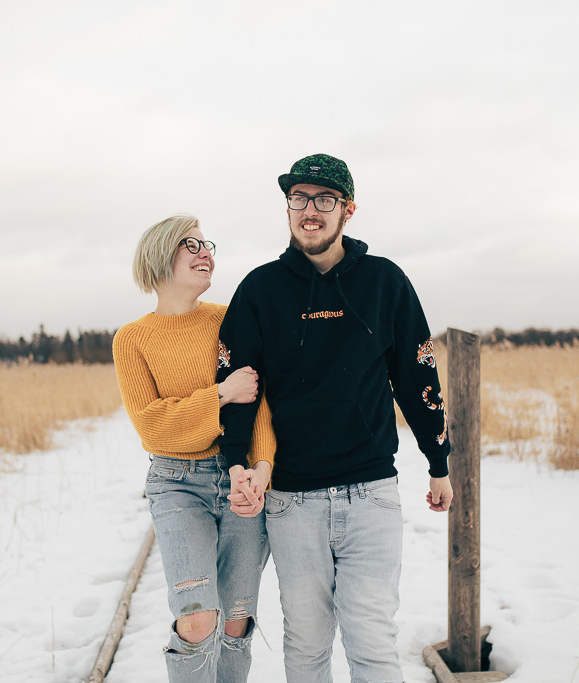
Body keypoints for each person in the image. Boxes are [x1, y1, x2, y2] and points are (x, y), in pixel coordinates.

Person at [215, 153, 454, 682]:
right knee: (306, 645)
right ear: (288, 208)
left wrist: (438, 461)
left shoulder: (384, 282)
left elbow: (417, 378)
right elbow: (238, 386)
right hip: (292, 500)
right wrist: (237, 462)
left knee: (372, 642)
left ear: (348, 209)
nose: (310, 210)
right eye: (299, 198)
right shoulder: (260, 289)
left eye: (324, 199)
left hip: (370, 493)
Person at [112, 214, 275, 683]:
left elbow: (262, 404)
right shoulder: (132, 339)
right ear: (160, 255)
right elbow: (153, 426)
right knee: (199, 617)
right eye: (192, 244)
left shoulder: (230, 319)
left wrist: (259, 469)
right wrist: (220, 394)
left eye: (208, 244)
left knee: (236, 617)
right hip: (177, 484)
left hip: (241, 478)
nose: (207, 253)